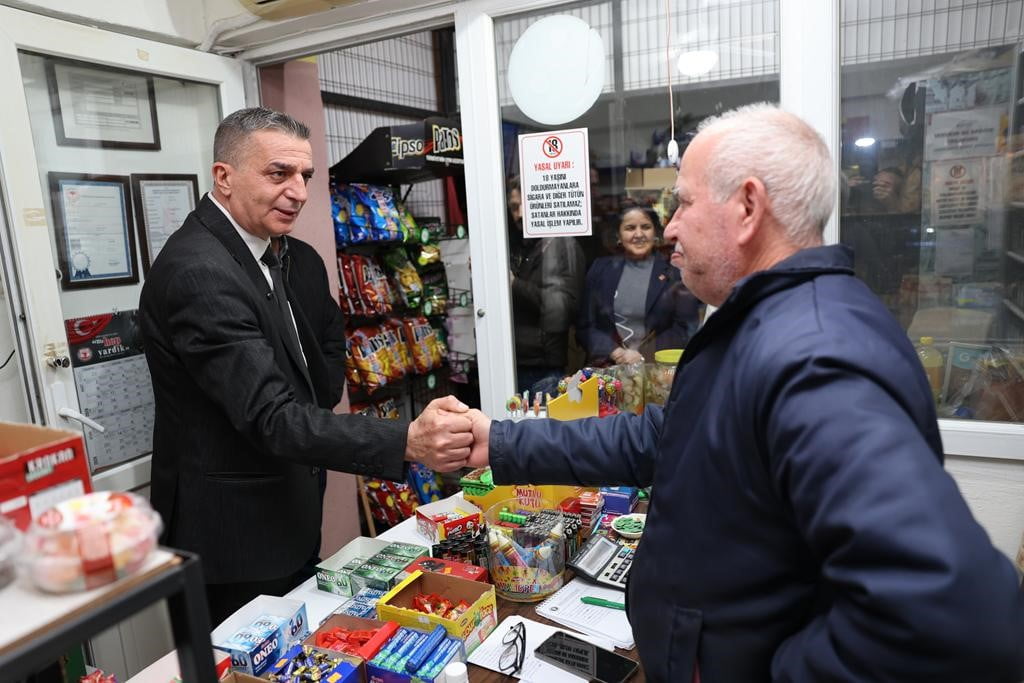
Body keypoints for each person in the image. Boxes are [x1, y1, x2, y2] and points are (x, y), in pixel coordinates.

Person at [465, 104, 1024, 681]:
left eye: (682, 201)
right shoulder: (762, 322)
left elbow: (953, 616)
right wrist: (502, 442)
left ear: (748, 206)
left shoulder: (815, 352)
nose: (671, 225)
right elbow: (663, 438)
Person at [139, 107, 472, 625]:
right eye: (279, 173)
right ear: (223, 178)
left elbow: (323, 344)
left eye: (306, 176)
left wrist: (317, 404)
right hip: (233, 540)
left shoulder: (288, 254)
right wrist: (404, 440)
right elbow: (272, 415)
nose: (298, 191)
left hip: (286, 510)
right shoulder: (198, 272)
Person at [575, 205, 699, 366]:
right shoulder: (600, 269)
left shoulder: (673, 273)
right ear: (619, 235)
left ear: (655, 233)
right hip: (607, 369)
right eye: (630, 228)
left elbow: (684, 327)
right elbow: (585, 325)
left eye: (646, 227)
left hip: (656, 370)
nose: (639, 234)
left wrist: (643, 354)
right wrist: (615, 352)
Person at [506, 178, 585, 394]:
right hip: (516, 362)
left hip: (541, 368)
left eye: (527, 205)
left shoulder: (561, 244)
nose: (520, 214)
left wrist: (513, 284)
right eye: (514, 207)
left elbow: (561, 308)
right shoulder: (524, 245)